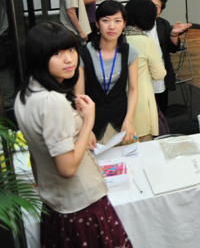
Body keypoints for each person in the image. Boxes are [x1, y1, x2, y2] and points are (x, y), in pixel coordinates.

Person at [14, 22, 132, 247]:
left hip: (56, 204)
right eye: (57, 53)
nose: (68, 59)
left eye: (71, 50)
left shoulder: (26, 93)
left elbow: (35, 155)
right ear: (39, 57)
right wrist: (88, 123)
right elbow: (67, 168)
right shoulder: (52, 101)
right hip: (81, 205)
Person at [75, 0, 139, 144]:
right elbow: (79, 95)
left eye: (117, 21)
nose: (111, 26)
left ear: (124, 24)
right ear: (97, 24)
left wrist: (128, 120)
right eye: (105, 20)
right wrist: (86, 128)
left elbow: (133, 89)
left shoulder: (130, 52)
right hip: (93, 123)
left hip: (122, 121)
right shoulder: (83, 54)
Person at [140, 0, 192, 116]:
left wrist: (174, 34)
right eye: (149, 5)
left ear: (161, 9)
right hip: (141, 76)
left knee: (161, 110)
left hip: (160, 75)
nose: (152, 9)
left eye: (156, 6)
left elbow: (172, 48)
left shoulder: (163, 24)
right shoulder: (134, 25)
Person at [125, 0, 167, 141]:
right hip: (141, 100)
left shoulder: (117, 39)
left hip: (120, 100)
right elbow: (159, 74)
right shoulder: (146, 42)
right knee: (143, 143)